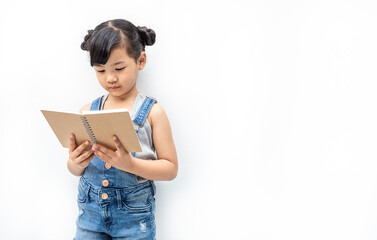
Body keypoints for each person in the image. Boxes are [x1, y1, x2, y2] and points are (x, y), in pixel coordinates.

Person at [67, 18, 178, 240]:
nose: (110, 78)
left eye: (119, 68)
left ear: (141, 60)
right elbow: (75, 170)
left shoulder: (152, 112)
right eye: (100, 70)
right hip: (90, 217)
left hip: (133, 220)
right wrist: (75, 162)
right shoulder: (87, 111)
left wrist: (130, 164)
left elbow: (170, 168)